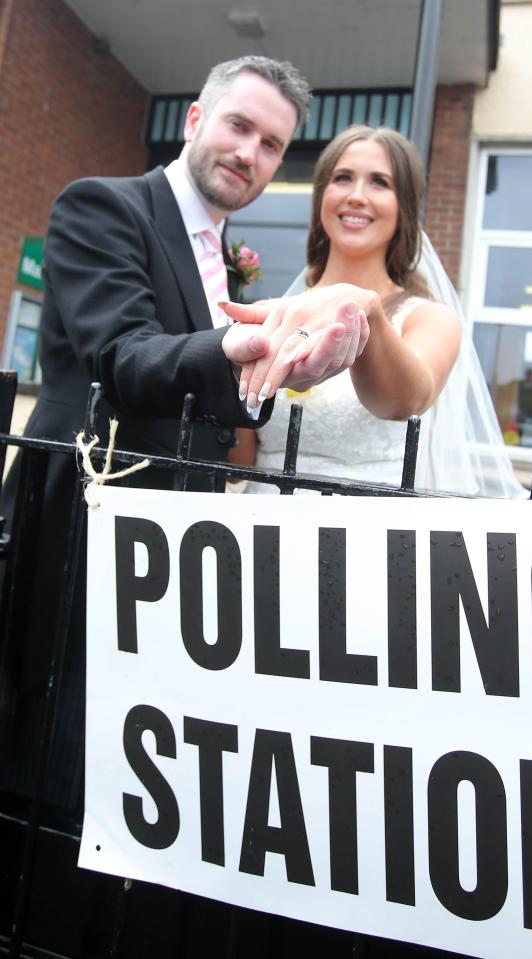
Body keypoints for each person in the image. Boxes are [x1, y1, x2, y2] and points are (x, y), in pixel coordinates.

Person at [0, 57, 371, 815]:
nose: (251, 153)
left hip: (172, 552)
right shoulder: (102, 206)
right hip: (82, 528)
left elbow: (215, 397)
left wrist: (279, 369)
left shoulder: (224, 263)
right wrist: (235, 348)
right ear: (195, 120)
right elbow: (124, 355)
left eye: (272, 144)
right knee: (49, 767)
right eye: (239, 126)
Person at [227, 126, 525, 497]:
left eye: (380, 183)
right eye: (343, 178)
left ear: (405, 207)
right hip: (266, 523)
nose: (356, 196)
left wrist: (365, 310)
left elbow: (404, 401)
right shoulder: (271, 314)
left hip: (367, 533)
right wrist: (226, 358)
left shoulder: (429, 319)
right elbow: (238, 465)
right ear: (322, 196)